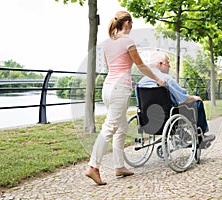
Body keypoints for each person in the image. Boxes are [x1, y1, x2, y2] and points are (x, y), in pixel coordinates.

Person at [85, 11, 164, 185]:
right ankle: (93, 166)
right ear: (127, 23)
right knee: (111, 126)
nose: (132, 27)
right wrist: (158, 79)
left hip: (108, 88)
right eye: (132, 24)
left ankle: (119, 166)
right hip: (120, 88)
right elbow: (141, 65)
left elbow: (110, 66)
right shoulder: (128, 41)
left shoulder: (106, 43)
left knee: (121, 127)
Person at [138, 51, 215, 145]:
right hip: (168, 116)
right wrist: (195, 97)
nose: (169, 66)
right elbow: (184, 99)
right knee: (197, 103)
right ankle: (201, 135)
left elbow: (140, 104)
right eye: (168, 62)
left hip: (149, 119)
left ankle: (183, 134)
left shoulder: (141, 82)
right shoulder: (166, 79)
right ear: (160, 64)